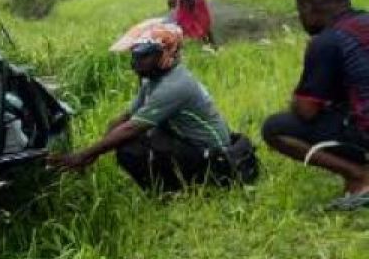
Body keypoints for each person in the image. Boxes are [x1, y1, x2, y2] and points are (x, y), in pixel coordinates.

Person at [50, 22, 256, 191]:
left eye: (144, 56)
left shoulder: (174, 85)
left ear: (165, 55)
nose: (136, 63)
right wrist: (90, 154)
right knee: (131, 134)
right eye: (135, 56)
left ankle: (173, 191)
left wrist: (81, 156)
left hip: (214, 156)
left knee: (128, 147)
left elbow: (131, 128)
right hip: (191, 144)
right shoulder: (153, 79)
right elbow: (125, 118)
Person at [262, 0, 369, 209]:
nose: (300, 17)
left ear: (309, 7)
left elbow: (306, 111)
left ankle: (360, 176)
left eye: (299, 10)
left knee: (275, 128)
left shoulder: (326, 41)